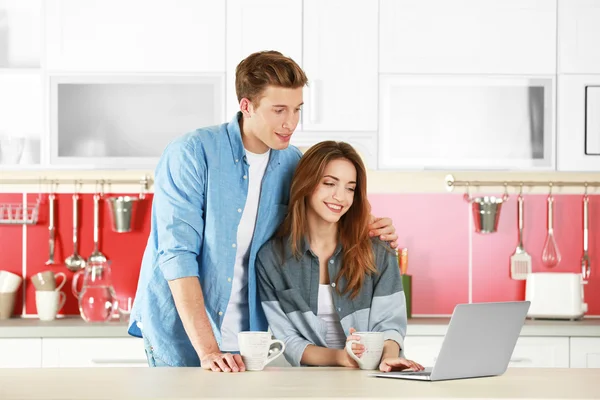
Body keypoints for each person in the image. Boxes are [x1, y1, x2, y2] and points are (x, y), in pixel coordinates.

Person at [128, 51, 399, 370]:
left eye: (297, 109)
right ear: (247, 106)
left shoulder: (292, 163)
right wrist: (209, 351)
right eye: (279, 110)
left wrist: (371, 225)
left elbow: (327, 209)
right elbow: (176, 254)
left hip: (250, 338)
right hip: (184, 332)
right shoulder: (192, 153)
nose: (291, 123)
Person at [256, 141, 423, 372]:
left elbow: (390, 324)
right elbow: (288, 341)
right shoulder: (271, 259)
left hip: (371, 379)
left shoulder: (378, 249)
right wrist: (341, 357)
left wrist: (388, 357)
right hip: (306, 385)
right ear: (306, 183)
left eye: (350, 188)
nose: (340, 197)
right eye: (329, 183)